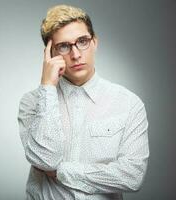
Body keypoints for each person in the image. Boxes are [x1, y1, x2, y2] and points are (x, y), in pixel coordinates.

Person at [17, 4, 149, 200]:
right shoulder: (32, 102)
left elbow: (132, 176)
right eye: (63, 46)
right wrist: (47, 87)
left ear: (94, 42)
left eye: (82, 41)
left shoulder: (128, 103)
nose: (76, 54)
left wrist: (62, 171)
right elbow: (45, 160)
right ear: (50, 54)